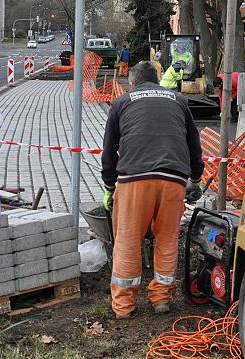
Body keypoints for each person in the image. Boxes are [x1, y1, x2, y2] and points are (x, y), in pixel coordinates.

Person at [101, 61, 204, 319]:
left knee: (127, 239)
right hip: (173, 179)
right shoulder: (178, 101)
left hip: (133, 179)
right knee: (167, 238)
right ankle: (161, 299)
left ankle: (123, 306)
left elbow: (109, 150)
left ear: (132, 83)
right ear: (157, 81)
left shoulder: (121, 103)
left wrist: (109, 186)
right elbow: (194, 142)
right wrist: (197, 179)